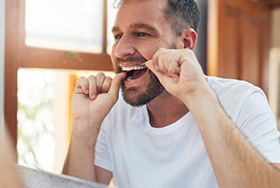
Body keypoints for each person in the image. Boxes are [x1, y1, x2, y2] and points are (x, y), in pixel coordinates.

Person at [63, 0, 280, 187]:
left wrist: (198, 96)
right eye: (118, 35)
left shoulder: (243, 102)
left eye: (142, 33)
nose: (120, 50)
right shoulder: (113, 111)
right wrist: (84, 127)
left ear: (185, 43)